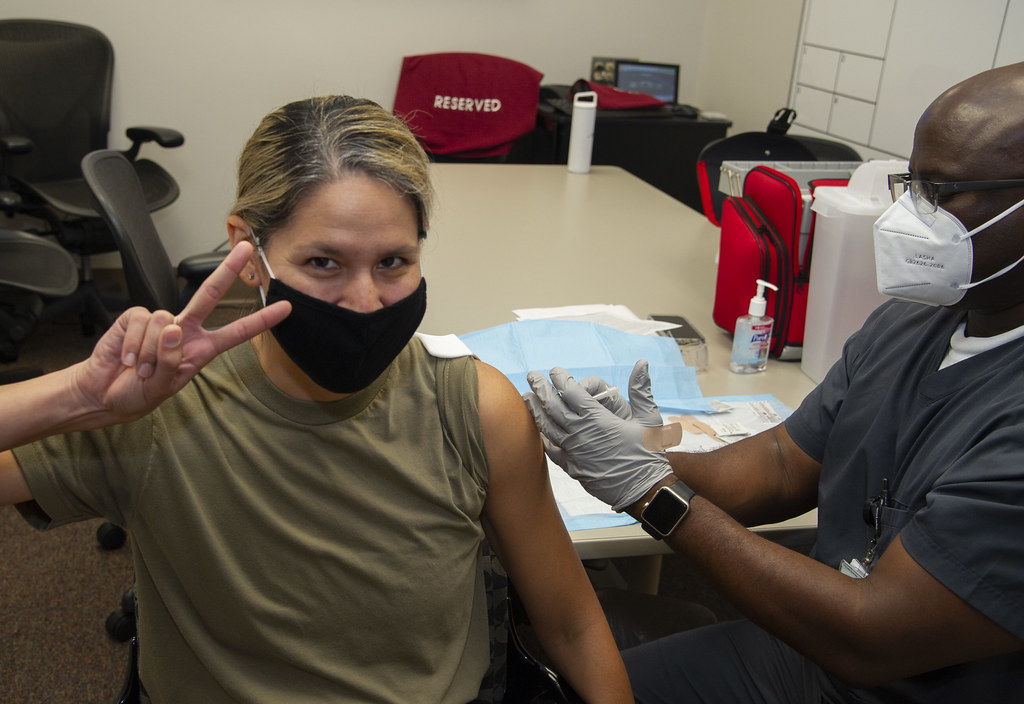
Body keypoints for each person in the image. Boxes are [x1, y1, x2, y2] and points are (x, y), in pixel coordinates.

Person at [0, 96, 631, 703]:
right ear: (248, 253)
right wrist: (78, 397)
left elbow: (571, 623)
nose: (364, 301)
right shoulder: (158, 411)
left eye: (393, 261)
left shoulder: (472, 408)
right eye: (324, 263)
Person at [524, 62, 1024, 703]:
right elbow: (786, 463)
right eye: (911, 184)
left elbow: (873, 636)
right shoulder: (917, 320)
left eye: (943, 193)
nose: (910, 216)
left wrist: (652, 493)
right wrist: (645, 449)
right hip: (809, 641)